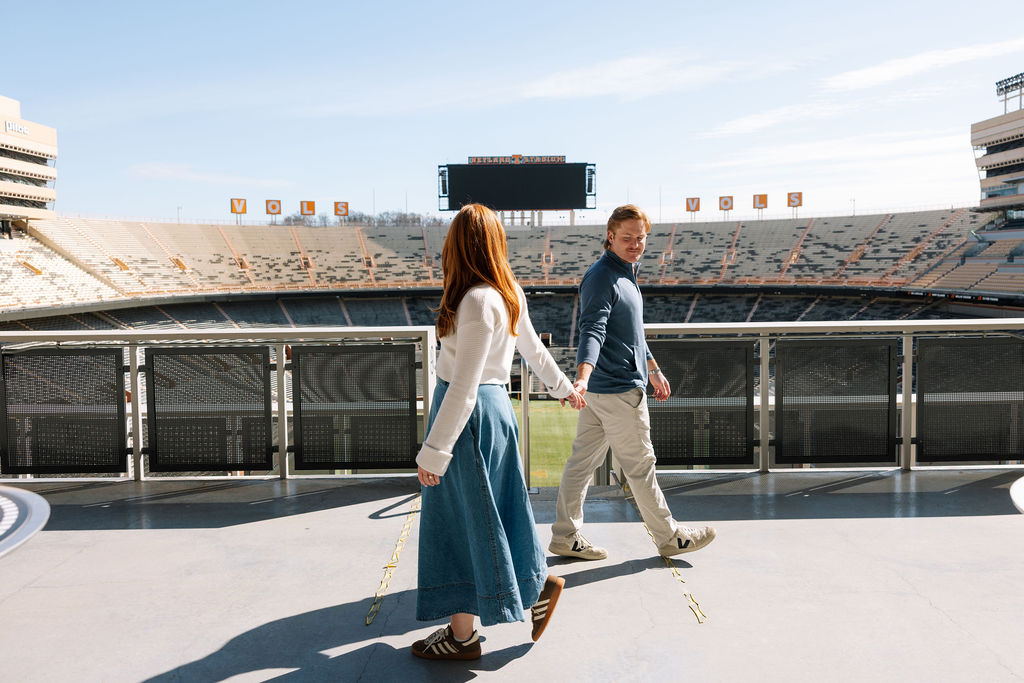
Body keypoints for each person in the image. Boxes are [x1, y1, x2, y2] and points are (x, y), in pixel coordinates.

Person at [411, 203, 586, 661]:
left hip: (467, 417)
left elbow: (462, 385)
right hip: (497, 413)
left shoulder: (473, 301)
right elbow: (533, 350)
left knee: (459, 524)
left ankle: (463, 636)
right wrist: (563, 388)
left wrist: (434, 452)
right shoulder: (506, 292)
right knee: (501, 510)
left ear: (457, 247)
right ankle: (534, 585)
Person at [550, 204, 716, 560]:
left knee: (581, 463)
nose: (635, 244)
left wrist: (653, 367)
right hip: (618, 390)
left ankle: (565, 535)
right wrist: (582, 376)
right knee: (640, 466)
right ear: (610, 236)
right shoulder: (602, 276)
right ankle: (669, 536)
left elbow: (631, 333)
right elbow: (591, 329)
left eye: (641, 237)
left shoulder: (626, 272)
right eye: (627, 237)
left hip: (605, 391)